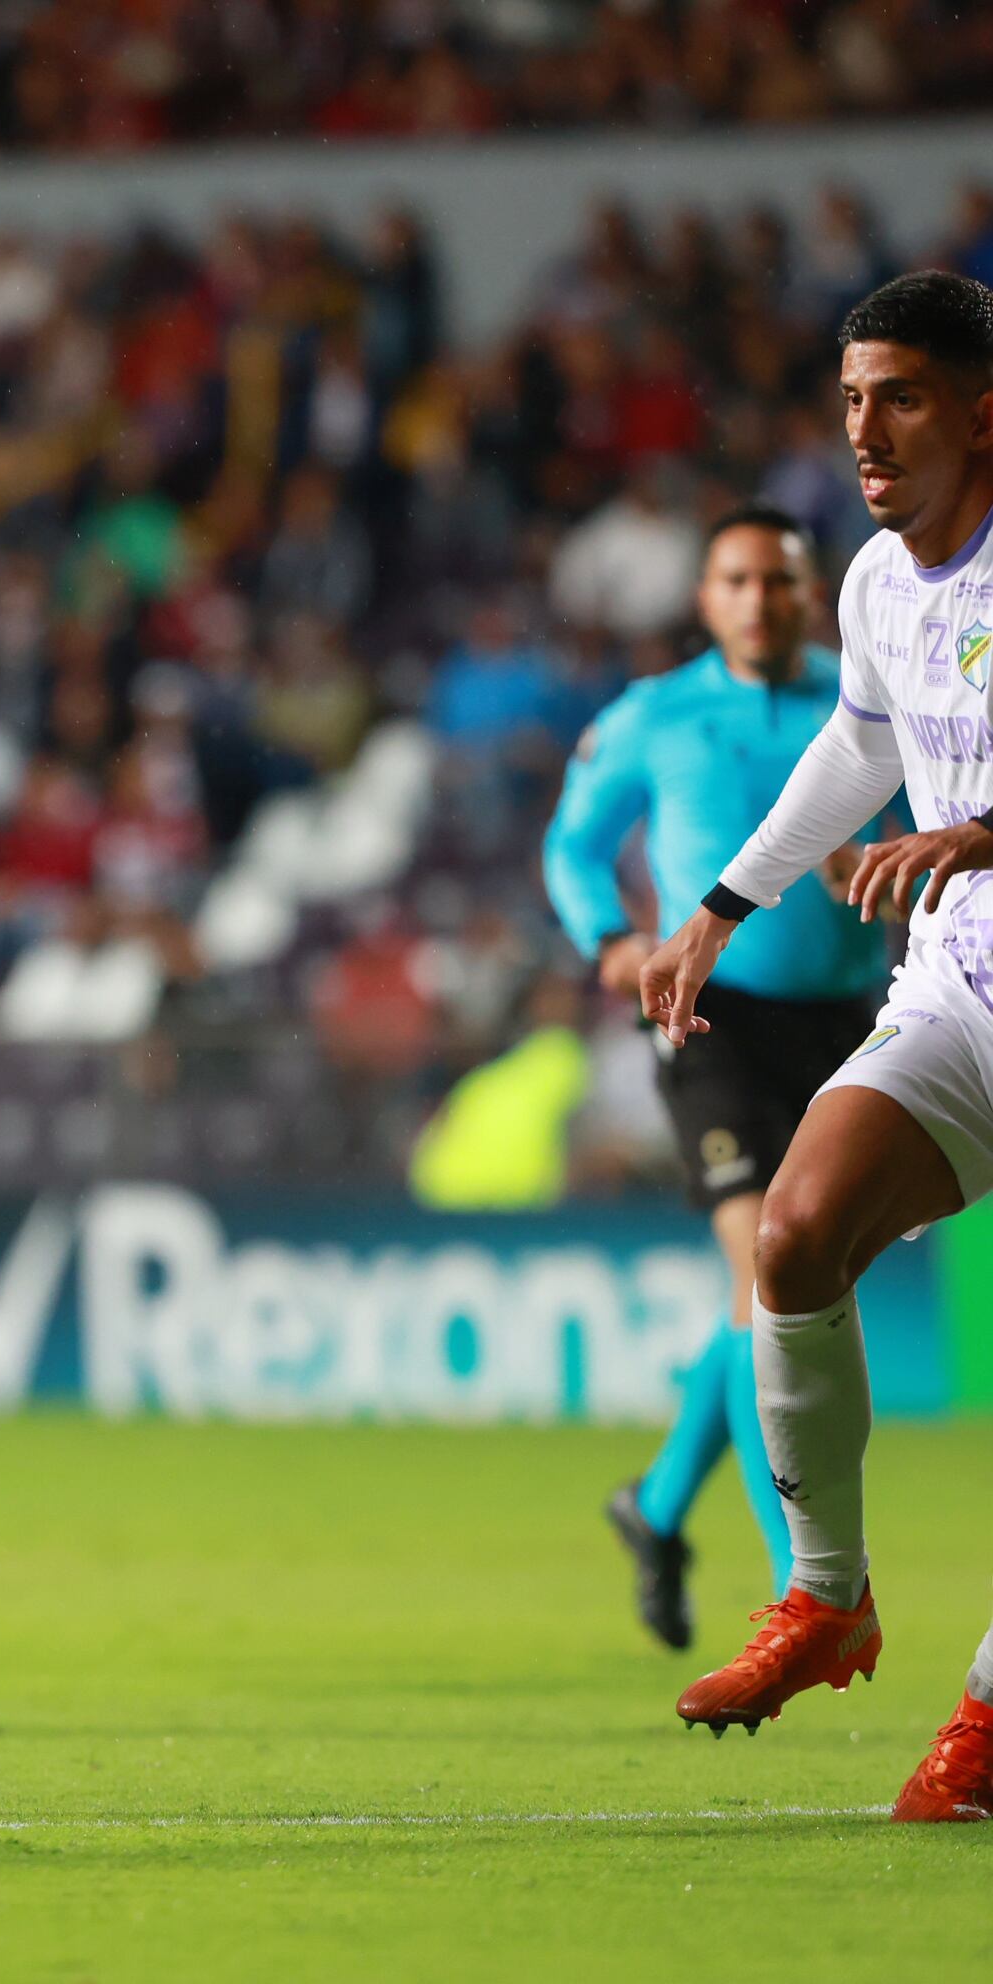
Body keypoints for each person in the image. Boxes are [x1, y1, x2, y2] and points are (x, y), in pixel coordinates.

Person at [639, 270, 993, 1821]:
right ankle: (829, 1597)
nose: (865, 429)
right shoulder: (872, 583)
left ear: (982, 412)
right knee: (791, 1236)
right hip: (965, 988)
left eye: (899, 395)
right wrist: (723, 904)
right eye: (851, 398)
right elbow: (860, 744)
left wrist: (980, 832)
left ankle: (988, 1719)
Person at [543, 507, 890, 1650]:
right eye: (737, 580)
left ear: (812, 593)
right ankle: (805, 1584)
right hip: (711, 1016)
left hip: (849, 1022)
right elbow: (573, 844)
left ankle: (653, 1508)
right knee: (762, 1270)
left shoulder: (868, 696)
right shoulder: (653, 713)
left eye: (779, 581)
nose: (759, 601)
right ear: (705, 598)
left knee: (786, 1290)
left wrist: (885, 866)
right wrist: (609, 939)